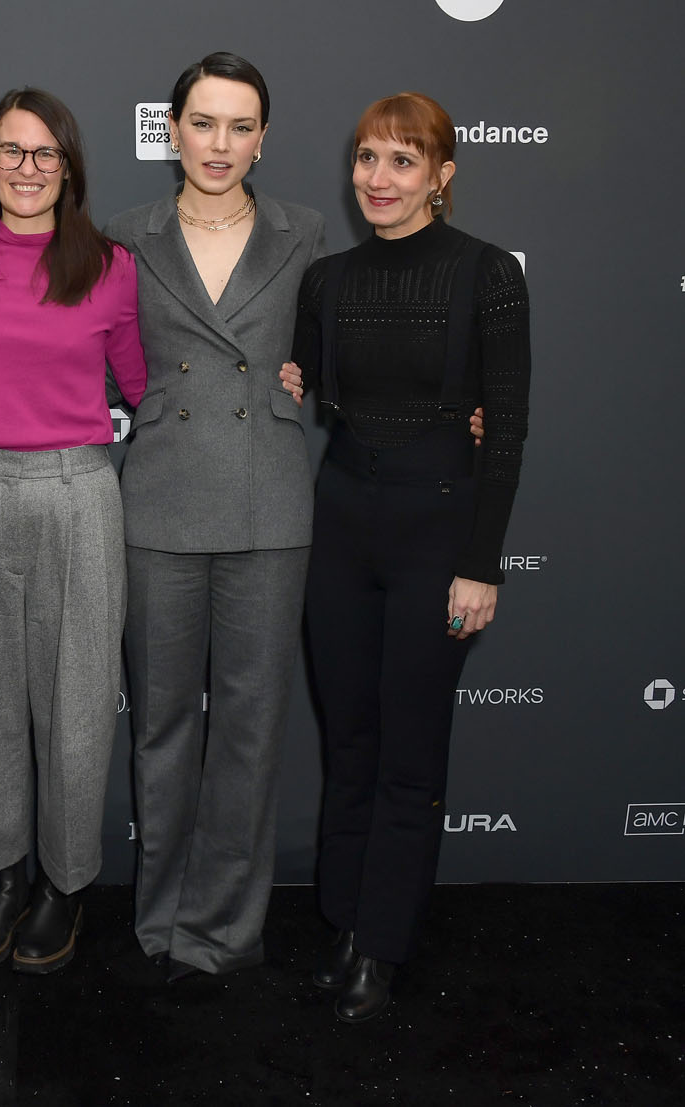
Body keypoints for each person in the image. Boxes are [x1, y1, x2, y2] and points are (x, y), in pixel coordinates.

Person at [289, 91, 531, 1023]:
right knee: (350, 739)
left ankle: (382, 943)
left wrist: (484, 563)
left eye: (402, 159)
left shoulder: (487, 274)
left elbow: (505, 430)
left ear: (441, 174)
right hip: (342, 524)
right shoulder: (326, 281)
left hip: (439, 532)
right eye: (366, 158)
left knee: (410, 748)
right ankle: (344, 917)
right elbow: (302, 381)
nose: (378, 178)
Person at [102, 53, 323, 983]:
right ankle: (161, 919)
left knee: (249, 726)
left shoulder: (306, 233)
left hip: (269, 499)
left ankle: (225, 928)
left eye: (240, 126)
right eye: (203, 122)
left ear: (262, 138)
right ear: (173, 131)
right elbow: (76, 350)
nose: (220, 143)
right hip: (159, 497)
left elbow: (351, 346)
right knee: (160, 725)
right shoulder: (125, 235)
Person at [0, 88, 148, 975]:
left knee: (79, 704)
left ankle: (64, 882)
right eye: (10, 150)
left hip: (78, 492)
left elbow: (144, 383)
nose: (26, 167)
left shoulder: (111, 267)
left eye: (45, 152)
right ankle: (2, 875)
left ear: (69, 167)